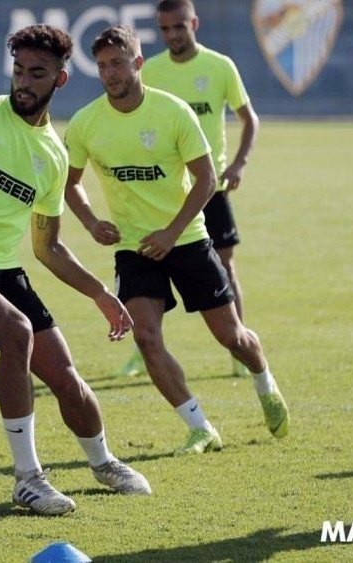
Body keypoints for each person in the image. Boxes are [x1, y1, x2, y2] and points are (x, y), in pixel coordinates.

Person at [0, 24, 151, 517]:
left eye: (36, 73)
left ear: (60, 80)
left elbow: (49, 248)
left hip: (4, 272)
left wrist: (101, 294)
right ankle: (28, 478)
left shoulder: (53, 157)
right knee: (16, 331)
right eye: (18, 71)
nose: (23, 82)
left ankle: (103, 463)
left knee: (65, 375)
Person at [63, 24, 289, 456]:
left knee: (231, 337)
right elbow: (70, 184)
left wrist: (171, 231)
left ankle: (265, 383)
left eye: (118, 63)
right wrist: (92, 222)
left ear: (138, 63)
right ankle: (200, 426)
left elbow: (206, 178)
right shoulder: (86, 123)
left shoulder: (172, 112)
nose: (110, 73)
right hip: (134, 247)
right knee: (146, 338)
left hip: (186, 238)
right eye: (103, 65)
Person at [114, 0, 260, 379]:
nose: (172, 35)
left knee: (225, 267)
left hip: (210, 189)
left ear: (194, 22)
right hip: (164, 194)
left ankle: (237, 348)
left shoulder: (219, 66)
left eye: (179, 26)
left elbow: (249, 119)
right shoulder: (153, 71)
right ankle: (142, 352)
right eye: (164, 29)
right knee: (147, 273)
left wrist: (240, 163)